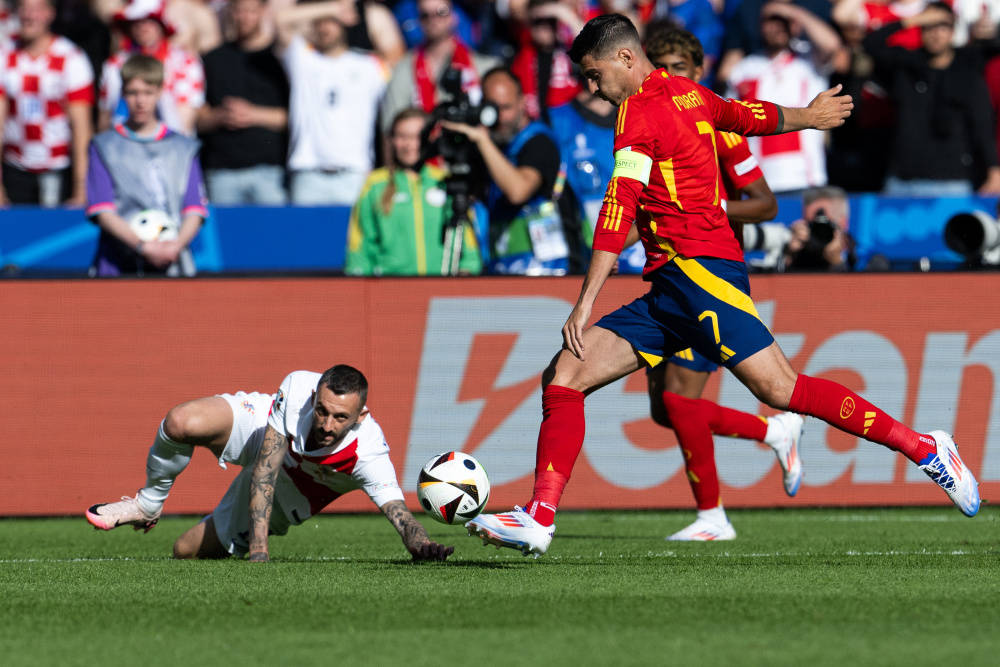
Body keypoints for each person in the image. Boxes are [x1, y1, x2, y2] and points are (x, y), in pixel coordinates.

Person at [466, 14, 981, 557]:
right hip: (672, 286)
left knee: (780, 390)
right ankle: (539, 516)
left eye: (593, 75)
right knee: (565, 375)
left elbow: (618, 206)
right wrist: (807, 116)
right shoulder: (687, 94)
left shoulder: (638, 112)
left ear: (624, 58)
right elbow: (744, 115)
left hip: (699, 274)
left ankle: (926, 449)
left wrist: (585, 301)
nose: (591, 88)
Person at [625, 25, 799, 541]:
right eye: (662, 67)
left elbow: (765, 203)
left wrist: (712, 207)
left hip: (710, 277)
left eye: (680, 68)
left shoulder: (720, 130)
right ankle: (773, 430)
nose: (670, 77)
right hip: (670, 275)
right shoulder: (645, 125)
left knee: (680, 401)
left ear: (698, 73)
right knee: (665, 410)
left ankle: (713, 516)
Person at [85, 364, 454, 562]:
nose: (326, 425)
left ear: (361, 417)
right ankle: (147, 504)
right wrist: (259, 549)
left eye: (340, 418)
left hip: (294, 492)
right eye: (322, 411)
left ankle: (224, 528)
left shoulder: (370, 454)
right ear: (314, 397)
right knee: (181, 421)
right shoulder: (296, 390)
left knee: (184, 551)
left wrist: (421, 544)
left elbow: (399, 515)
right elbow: (265, 467)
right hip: (268, 435)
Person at [442, 66, 588, 274]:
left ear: (522, 103)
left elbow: (518, 190)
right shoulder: (489, 147)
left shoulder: (539, 142)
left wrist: (482, 141)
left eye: (506, 107)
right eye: (492, 108)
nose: (500, 117)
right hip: (504, 273)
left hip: (553, 273)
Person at [85, 54, 206, 277]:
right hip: (118, 263)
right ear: (123, 93)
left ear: (160, 92)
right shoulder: (104, 146)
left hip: (172, 262)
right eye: (133, 93)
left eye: (148, 93)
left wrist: (174, 246)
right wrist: (143, 246)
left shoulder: (183, 147)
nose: (140, 101)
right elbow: (102, 209)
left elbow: (194, 208)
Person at [864, 3, 1000, 196]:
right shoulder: (906, 64)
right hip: (902, 181)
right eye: (929, 27)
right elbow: (870, 44)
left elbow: (982, 124)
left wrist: (994, 169)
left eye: (942, 27)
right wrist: (913, 20)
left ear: (953, 32)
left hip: (952, 182)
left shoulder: (968, 67)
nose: (935, 34)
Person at [345, 107, 483, 275]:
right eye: (402, 137)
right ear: (392, 140)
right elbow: (361, 244)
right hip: (390, 290)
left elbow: (466, 237)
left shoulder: (446, 181)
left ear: (429, 138)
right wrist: (358, 279)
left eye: (417, 136)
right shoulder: (376, 184)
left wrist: (468, 267)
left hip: (441, 288)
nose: (410, 144)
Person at [276, 0, 387, 205]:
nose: (325, 27)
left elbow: (395, 53)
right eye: (320, 22)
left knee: (352, 237)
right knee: (305, 237)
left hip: (354, 173)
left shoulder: (369, 65)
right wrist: (333, 8)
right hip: (307, 173)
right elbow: (279, 20)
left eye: (332, 22)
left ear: (344, 24)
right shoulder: (303, 59)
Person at [724, 3, 842, 195]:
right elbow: (731, 125)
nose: (778, 26)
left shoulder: (809, 60)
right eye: (772, 21)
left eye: (784, 22)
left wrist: (791, 11)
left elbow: (831, 44)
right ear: (760, 26)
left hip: (806, 178)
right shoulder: (744, 70)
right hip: (759, 182)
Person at [0, 0, 94, 207]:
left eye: (35, 10)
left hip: (57, 168)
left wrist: (81, 189)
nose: (28, 16)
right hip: (15, 168)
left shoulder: (71, 58)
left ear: (50, 14)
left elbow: (81, 128)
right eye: (23, 9)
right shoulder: (5, 54)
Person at [197, 0, 290, 205]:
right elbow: (196, 119)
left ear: (263, 12)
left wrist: (253, 114)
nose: (244, 17)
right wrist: (220, 116)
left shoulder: (279, 60)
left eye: (251, 11)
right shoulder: (212, 59)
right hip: (222, 172)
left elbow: (293, 118)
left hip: (269, 171)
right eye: (239, 11)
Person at [379, 0, 499, 137]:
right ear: (418, 20)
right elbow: (390, 130)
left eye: (441, 12)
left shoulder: (483, 67)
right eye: (425, 15)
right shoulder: (403, 70)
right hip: (423, 153)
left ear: (454, 16)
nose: (433, 19)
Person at [99, 0, 205, 135]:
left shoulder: (185, 62)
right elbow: (106, 116)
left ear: (161, 24)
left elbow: (185, 121)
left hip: (172, 148)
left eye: (150, 20)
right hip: (122, 147)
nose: (143, 26)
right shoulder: (115, 64)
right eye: (136, 21)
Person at [783, 185, 855, 272]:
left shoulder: (863, 256)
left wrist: (837, 263)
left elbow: (862, 284)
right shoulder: (800, 256)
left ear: (844, 223)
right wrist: (788, 256)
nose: (819, 231)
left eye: (825, 224)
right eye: (811, 225)